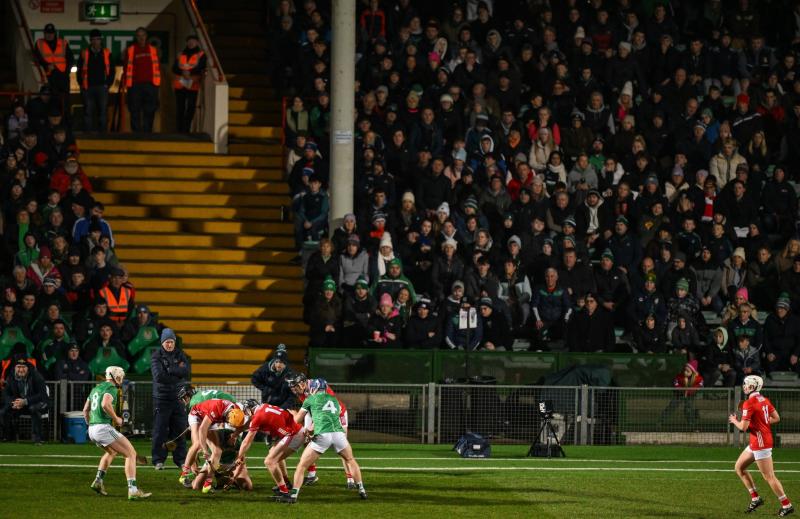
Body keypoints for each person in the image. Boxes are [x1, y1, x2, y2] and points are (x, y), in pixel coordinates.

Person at [279, 381, 367, 503]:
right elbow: (328, 417)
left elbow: (297, 420)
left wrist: (293, 414)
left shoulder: (310, 400)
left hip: (322, 436)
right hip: (338, 434)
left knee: (302, 466)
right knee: (350, 460)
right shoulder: (335, 400)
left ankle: (293, 495)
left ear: (314, 389)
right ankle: (361, 489)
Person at [728, 375, 794, 516]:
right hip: (757, 440)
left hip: (760, 443)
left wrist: (734, 420)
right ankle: (756, 498)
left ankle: (787, 505)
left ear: (752, 387)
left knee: (769, 477)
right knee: (739, 467)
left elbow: (743, 427)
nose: (744, 386)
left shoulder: (749, 403)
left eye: (746, 384)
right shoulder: (764, 399)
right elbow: (776, 418)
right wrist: (761, 423)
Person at [84, 366, 151, 500]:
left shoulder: (96, 388)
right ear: (117, 376)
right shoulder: (111, 388)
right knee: (131, 454)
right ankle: (133, 490)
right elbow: (105, 404)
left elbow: (86, 410)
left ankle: (98, 482)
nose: (122, 379)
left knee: (112, 452)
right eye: (121, 376)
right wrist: (116, 419)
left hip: (92, 429)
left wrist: (91, 425)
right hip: (102, 428)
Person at [235, 402, 305, 500]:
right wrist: (236, 433)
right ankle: (286, 483)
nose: (245, 414)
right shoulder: (264, 407)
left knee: (270, 461)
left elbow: (247, 441)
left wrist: (239, 456)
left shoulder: (258, 416)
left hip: (293, 435)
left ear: (250, 409)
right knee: (273, 453)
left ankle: (284, 492)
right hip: (296, 431)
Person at [150, 328, 191, 470]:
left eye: (171, 342)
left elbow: (186, 371)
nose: (169, 344)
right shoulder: (156, 356)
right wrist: (176, 372)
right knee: (160, 430)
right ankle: (158, 460)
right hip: (161, 399)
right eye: (167, 342)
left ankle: (181, 460)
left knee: (180, 429)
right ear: (162, 343)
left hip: (178, 398)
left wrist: (170, 369)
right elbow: (158, 376)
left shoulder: (181, 354)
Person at [0, 358, 48, 443]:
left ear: (28, 368)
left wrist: (25, 401)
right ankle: (6, 437)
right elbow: (5, 395)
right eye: (18, 367)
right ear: (15, 368)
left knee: (34, 409)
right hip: (20, 404)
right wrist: (14, 402)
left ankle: (38, 438)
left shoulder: (36, 376)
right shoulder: (10, 377)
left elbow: (42, 395)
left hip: (38, 402)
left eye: (23, 367)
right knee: (3, 411)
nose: (21, 369)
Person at [124, 27, 162, 132]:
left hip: (151, 84)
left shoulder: (153, 50)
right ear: (136, 37)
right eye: (139, 36)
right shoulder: (130, 50)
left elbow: (158, 67)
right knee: (134, 110)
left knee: (150, 110)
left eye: (143, 35)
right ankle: (136, 133)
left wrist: (156, 85)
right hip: (135, 85)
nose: (141, 38)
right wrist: (127, 85)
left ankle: (147, 132)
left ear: (146, 36)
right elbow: (126, 67)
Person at [77, 29, 114, 132]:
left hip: (102, 87)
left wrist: (108, 84)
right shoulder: (84, 53)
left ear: (100, 40)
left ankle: (103, 135)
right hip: (87, 87)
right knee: (88, 112)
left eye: (97, 39)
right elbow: (79, 70)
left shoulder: (106, 53)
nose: (95, 41)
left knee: (102, 112)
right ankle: (88, 135)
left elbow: (111, 70)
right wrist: (81, 84)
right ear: (90, 40)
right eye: (93, 39)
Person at [34, 24, 73, 118]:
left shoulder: (63, 43)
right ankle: (55, 123)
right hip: (50, 76)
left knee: (65, 101)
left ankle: (65, 122)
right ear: (44, 33)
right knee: (53, 100)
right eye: (47, 33)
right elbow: (38, 57)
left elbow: (70, 58)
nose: (49, 35)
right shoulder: (39, 43)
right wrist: (46, 66)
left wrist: (66, 72)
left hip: (63, 76)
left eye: (51, 33)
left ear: (55, 33)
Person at [172, 35, 207, 132]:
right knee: (180, 108)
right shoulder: (181, 54)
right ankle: (179, 130)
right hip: (180, 85)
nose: (191, 42)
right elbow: (174, 68)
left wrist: (189, 73)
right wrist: (183, 72)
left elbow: (201, 67)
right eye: (189, 41)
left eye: (193, 41)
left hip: (193, 85)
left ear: (197, 42)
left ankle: (186, 128)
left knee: (191, 107)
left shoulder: (201, 54)